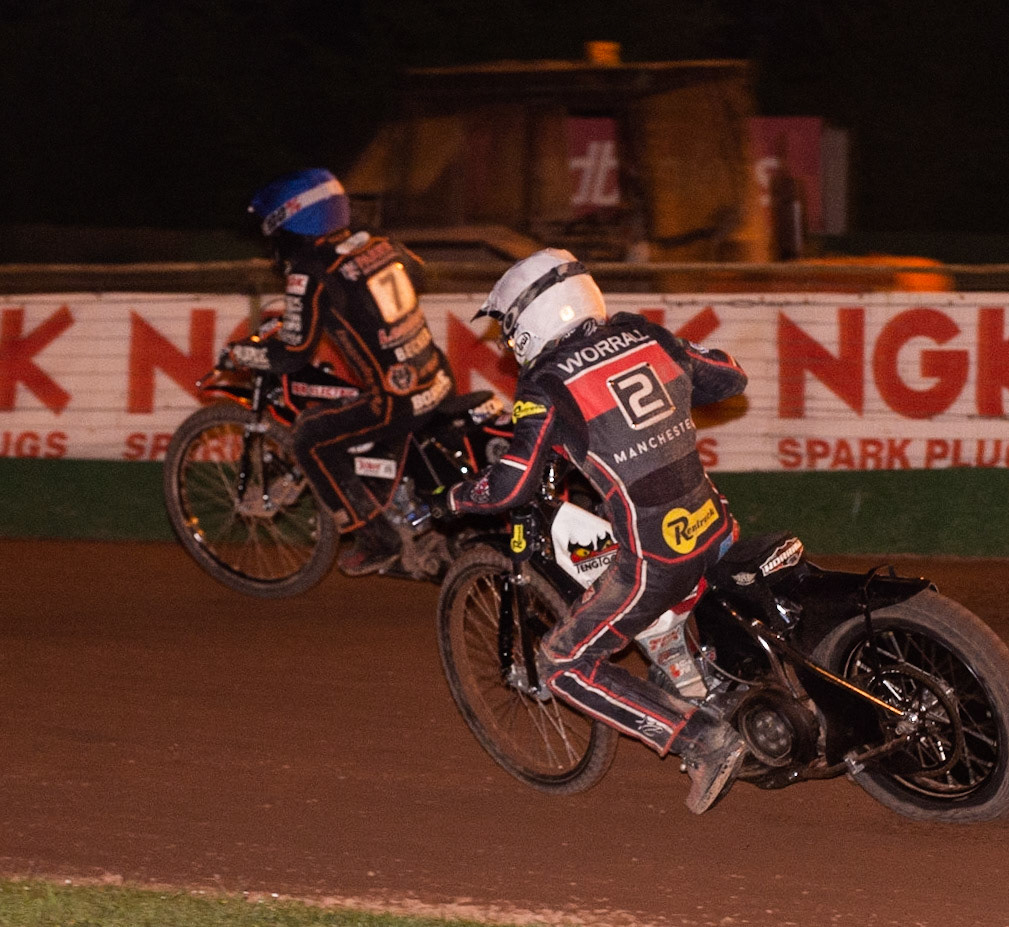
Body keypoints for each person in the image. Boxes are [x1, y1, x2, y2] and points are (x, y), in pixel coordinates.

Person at [446, 248, 749, 813]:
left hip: (660, 556)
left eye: (509, 325)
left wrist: (459, 496)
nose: (509, 340)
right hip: (717, 525)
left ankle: (700, 740)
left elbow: (513, 486)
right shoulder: (642, 333)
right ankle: (693, 667)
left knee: (562, 662)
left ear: (532, 317)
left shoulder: (545, 384)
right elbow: (730, 376)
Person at [226, 168, 453, 576]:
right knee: (357, 412)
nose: (275, 246)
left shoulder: (309, 270)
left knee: (310, 437)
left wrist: (241, 354)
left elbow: (292, 354)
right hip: (437, 377)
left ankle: (377, 539)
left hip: (397, 400)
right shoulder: (377, 241)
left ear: (291, 224)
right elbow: (417, 274)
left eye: (275, 234)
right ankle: (401, 510)